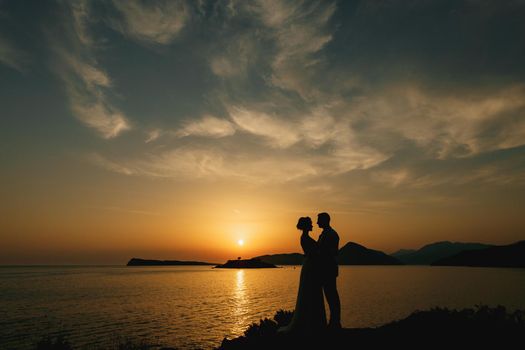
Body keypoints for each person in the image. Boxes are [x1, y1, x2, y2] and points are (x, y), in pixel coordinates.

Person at [278, 217, 327, 334]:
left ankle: (314, 322)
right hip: (310, 267)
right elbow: (313, 253)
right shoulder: (305, 238)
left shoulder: (306, 238)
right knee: (310, 292)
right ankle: (312, 323)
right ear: (306, 226)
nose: (312, 225)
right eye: (310, 224)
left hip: (310, 266)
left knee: (311, 292)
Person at [317, 212, 341, 329]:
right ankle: (333, 321)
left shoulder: (331, 234)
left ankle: (335, 322)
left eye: (319, 220)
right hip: (325, 269)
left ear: (325, 221)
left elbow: (332, 253)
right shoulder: (324, 234)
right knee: (330, 295)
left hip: (329, 269)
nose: (317, 222)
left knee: (332, 295)